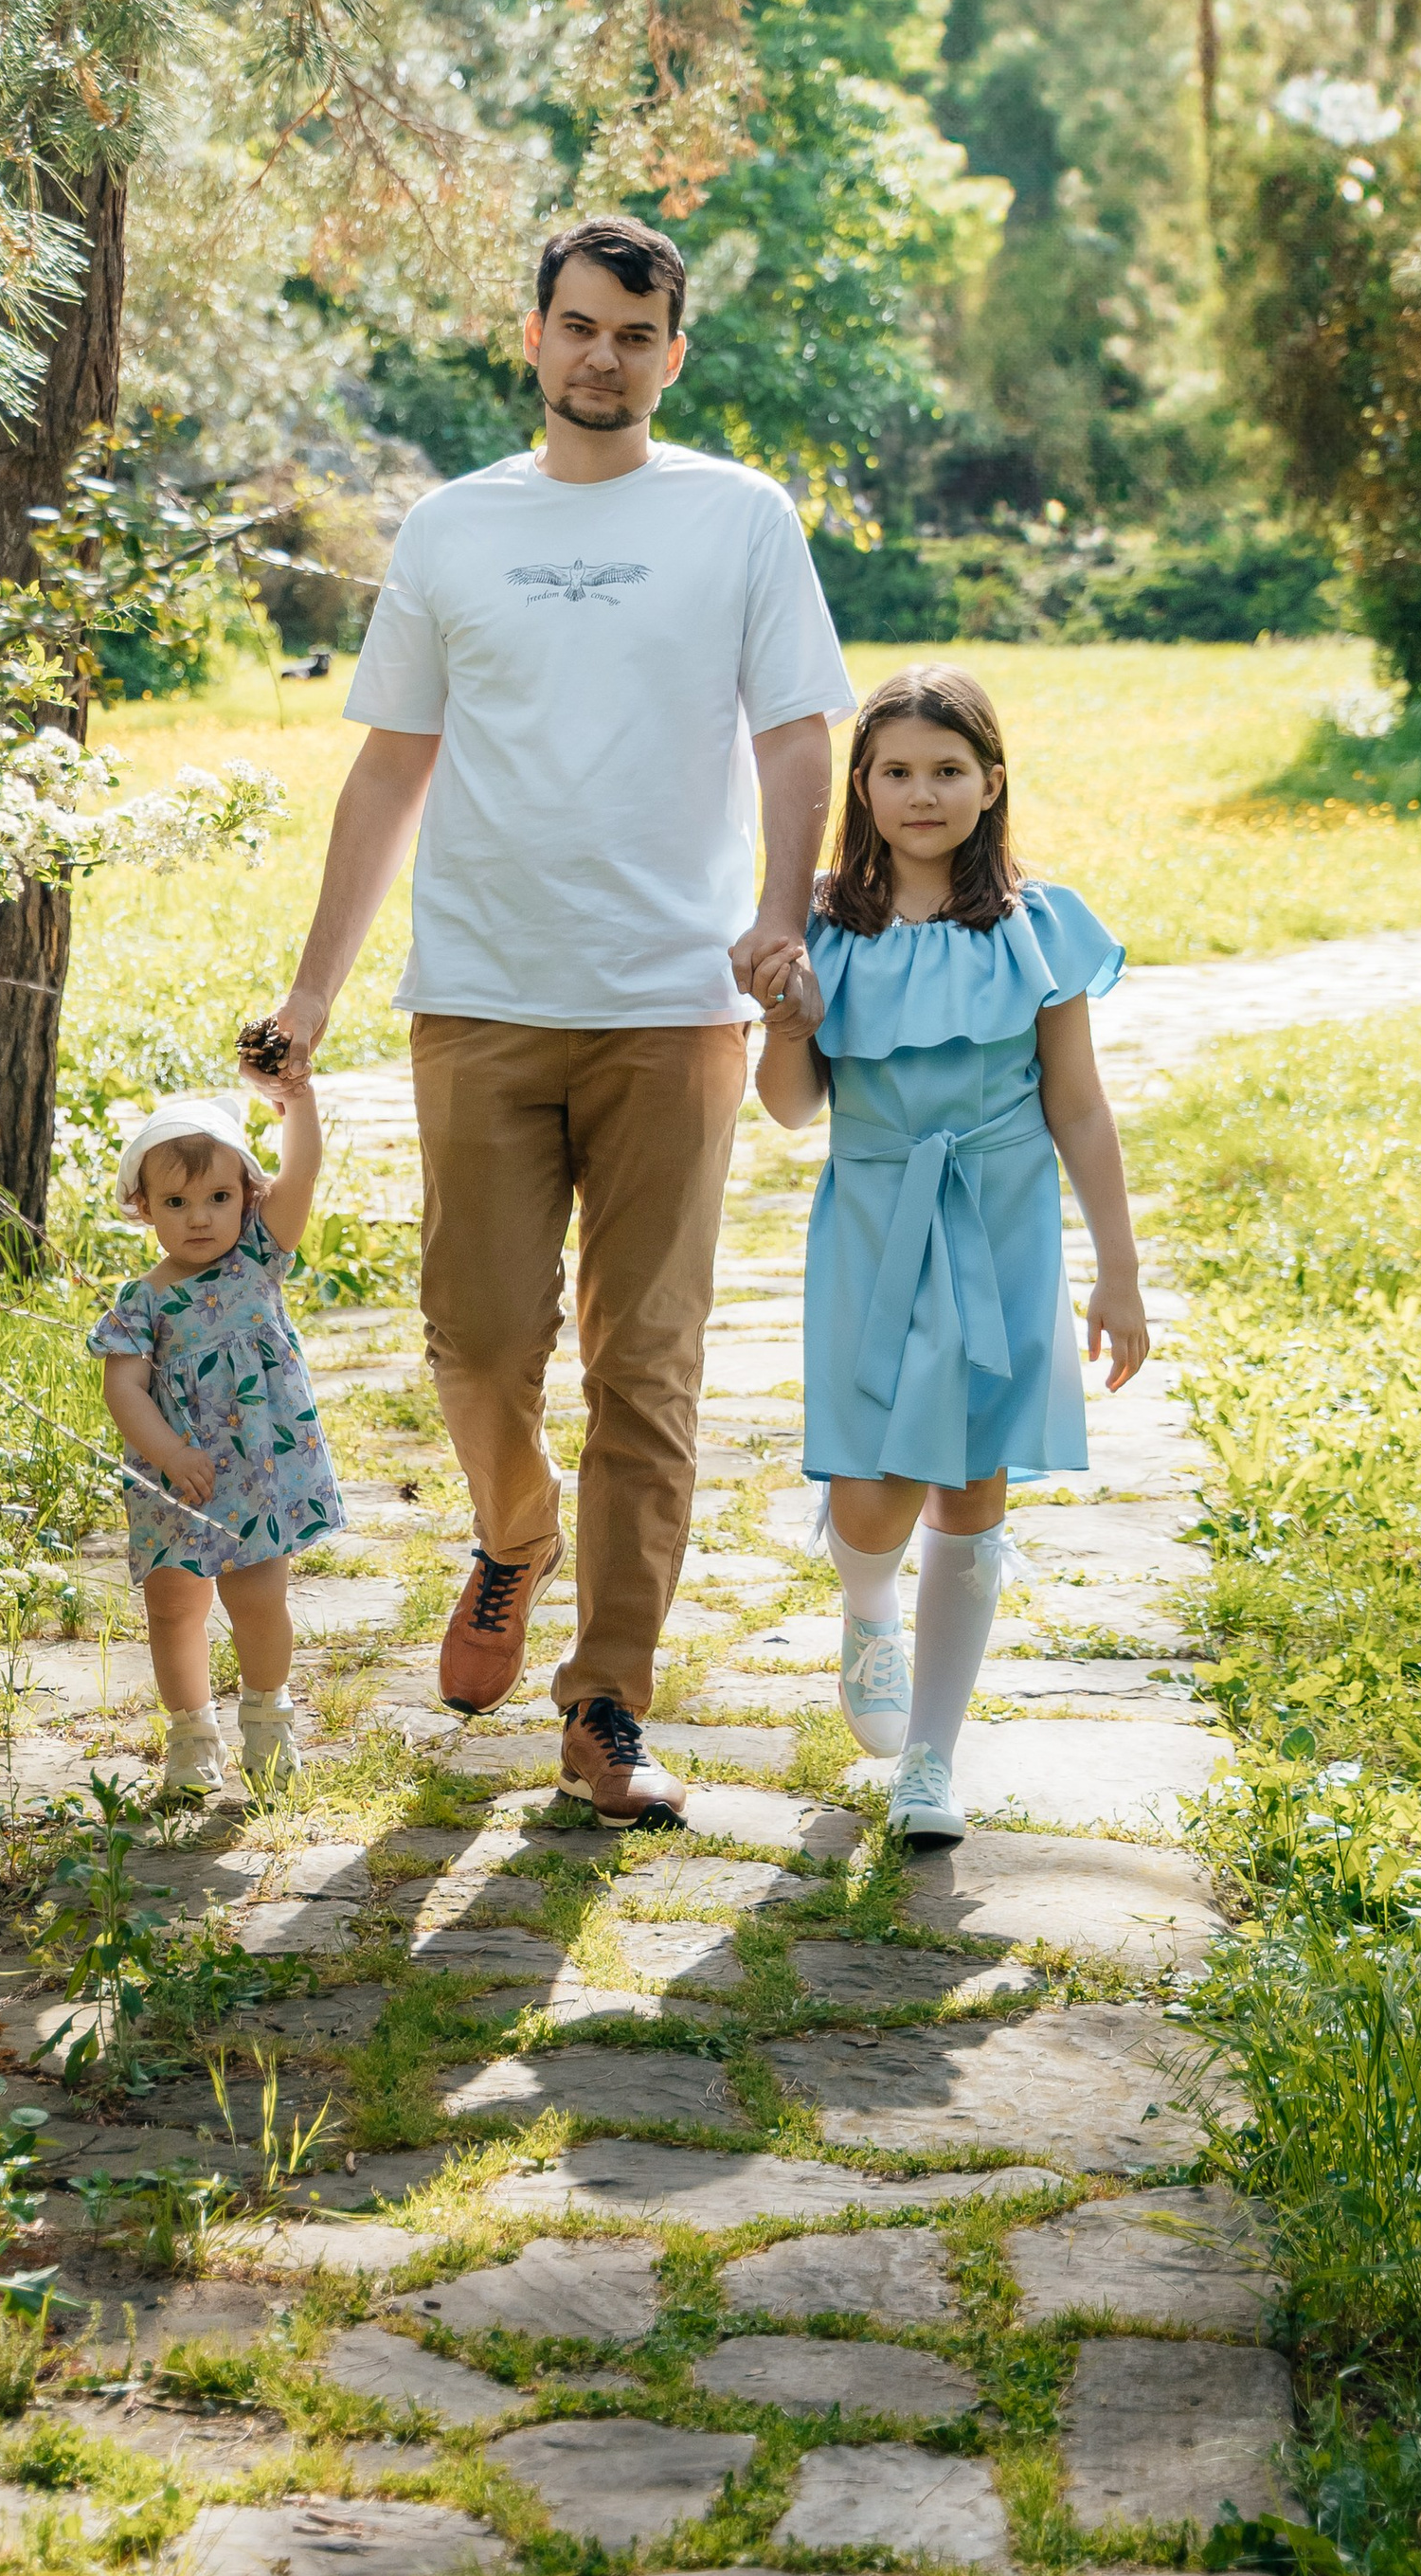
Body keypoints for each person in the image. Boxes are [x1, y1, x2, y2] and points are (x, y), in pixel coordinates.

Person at [263, 212, 852, 1833]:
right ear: (531, 336)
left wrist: (780, 915)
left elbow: (801, 733)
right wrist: (314, 991)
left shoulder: (737, 519)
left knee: (646, 1364)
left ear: (675, 352)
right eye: (579, 325)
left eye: (636, 334)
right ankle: (512, 1534)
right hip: (481, 995)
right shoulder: (455, 530)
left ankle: (606, 1700)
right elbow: (392, 762)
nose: (605, 355)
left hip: (675, 1007)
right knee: (475, 1338)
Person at [754, 662, 1149, 1846]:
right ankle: (864, 1596)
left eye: (946, 770)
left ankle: (930, 1762)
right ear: (861, 788)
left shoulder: (1038, 926)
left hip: (1003, 1217)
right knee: (874, 1501)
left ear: (989, 784)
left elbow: (1077, 1106)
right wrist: (788, 1022)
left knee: (972, 1486)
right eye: (895, 772)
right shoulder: (822, 923)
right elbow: (787, 1108)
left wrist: (1116, 1270)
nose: (921, 793)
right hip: (876, 1221)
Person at [89, 1077, 341, 1800]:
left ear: (248, 1197)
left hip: (258, 1472)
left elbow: (305, 1171)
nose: (199, 1218)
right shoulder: (142, 1301)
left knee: (258, 1600)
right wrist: (168, 1453)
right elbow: (124, 1387)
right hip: (177, 1477)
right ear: (143, 1208)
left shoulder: (260, 1257)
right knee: (174, 1605)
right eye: (175, 1203)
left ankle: (268, 1717)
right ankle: (191, 1739)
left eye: (218, 1199)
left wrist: (300, 1102)